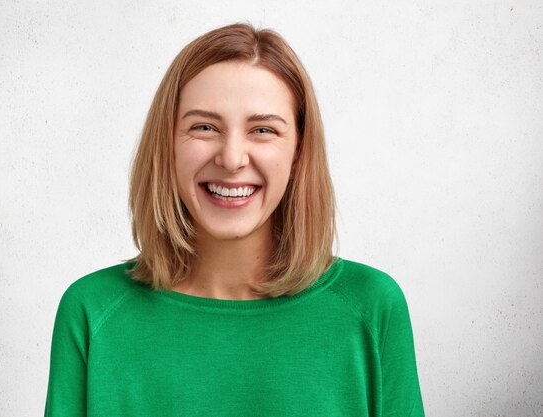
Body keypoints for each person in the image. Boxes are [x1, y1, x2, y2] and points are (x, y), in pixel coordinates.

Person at [44, 23, 424, 417]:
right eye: (204, 127)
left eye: (263, 130)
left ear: (298, 152)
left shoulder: (372, 308)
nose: (232, 158)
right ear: (167, 144)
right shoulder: (92, 313)